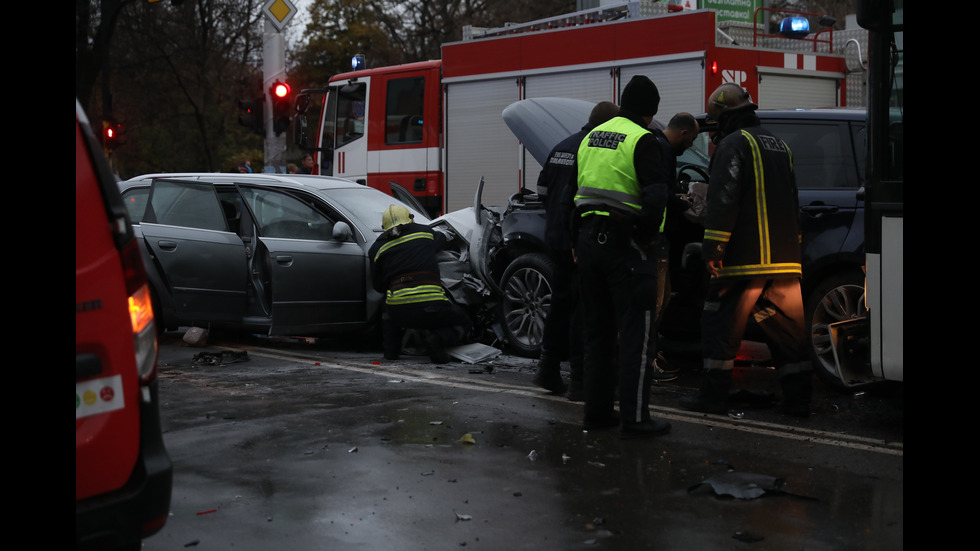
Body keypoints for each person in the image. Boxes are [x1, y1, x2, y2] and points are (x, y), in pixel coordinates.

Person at [678, 83, 813, 417]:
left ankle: (712, 397)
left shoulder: (733, 145)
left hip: (743, 261)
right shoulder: (780, 145)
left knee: (720, 325)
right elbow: (794, 201)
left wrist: (714, 249)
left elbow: (723, 201)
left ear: (724, 117)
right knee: (787, 332)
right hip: (784, 262)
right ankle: (798, 401)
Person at [568, 75, 672, 439]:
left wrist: (574, 241)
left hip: (588, 243)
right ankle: (635, 418)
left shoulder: (592, 137)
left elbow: (573, 191)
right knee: (636, 336)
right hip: (626, 248)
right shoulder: (642, 140)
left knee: (596, 334)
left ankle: (596, 414)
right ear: (649, 112)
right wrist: (644, 237)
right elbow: (657, 195)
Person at [532, 101, 620, 401]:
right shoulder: (594, 148)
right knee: (583, 309)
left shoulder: (561, 145)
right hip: (578, 241)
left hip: (555, 236)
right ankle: (580, 380)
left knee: (560, 304)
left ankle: (548, 369)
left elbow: (543, 191)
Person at [368, 205, 471, 364]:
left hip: (399, 312)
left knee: (386, 305)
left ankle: (391, 352)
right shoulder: (424, 233)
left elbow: (378, 286)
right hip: (431, 308)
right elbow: (443, 240)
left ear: (384, 228)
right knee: (464, 321)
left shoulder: (376, 248)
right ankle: (438, 339)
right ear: (410, 219)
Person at [647, 112, 700, 383]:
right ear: (683, 133)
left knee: (663, 298)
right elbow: (661, 195)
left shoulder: (657, 146)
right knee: (656, 302)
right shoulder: (662, 149)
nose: (691, 145)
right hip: (657, 237)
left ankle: (650, 355)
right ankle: (647, 363)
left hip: (659, 237)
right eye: (692, 139)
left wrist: (676, 196)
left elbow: (663, 190)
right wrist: (683, 203)